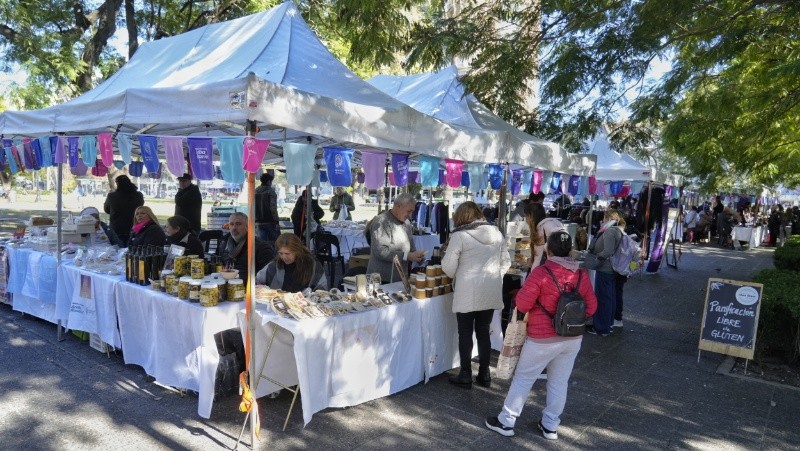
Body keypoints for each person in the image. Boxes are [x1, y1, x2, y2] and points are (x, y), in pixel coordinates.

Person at [485, 231, 597, 440]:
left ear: (548, 250)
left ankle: (506, 421)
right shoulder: (581, 274)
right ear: (570, 250)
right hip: (572, 338)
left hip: (541, 338)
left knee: (523, 378)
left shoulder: (541, 273)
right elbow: (591, 308)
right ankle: (550, 426)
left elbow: (523, 304)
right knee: (559, 382)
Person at [441, 202, 510, 389]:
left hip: (467, 290)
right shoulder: (496, 232)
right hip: (490, 289)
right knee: (483, 330)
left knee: (465, 332)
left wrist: (459, 272)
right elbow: (506, 262)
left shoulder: (459, 236)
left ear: (461, 217)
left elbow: (448, 268)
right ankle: (484, 374)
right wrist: (494, 277)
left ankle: (465, 374)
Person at [366, 192, 426, 282]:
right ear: (398, 206)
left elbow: (411, 248)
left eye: (412, 212)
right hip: (381, 279)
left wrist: (418, 256)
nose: (410, 215)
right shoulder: (382, 222)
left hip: (399, 278)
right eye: (409, 211)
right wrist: (407, 256)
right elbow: (380, 251)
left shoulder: (406, 223)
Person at [585, 208, 625, 336]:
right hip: (612, 269)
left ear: (609, 218)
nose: (603, 219)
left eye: (604, 217)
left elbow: (608, 251)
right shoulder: (617, 230)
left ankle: (602, 328)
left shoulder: (610, 231)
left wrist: (597, 257)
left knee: (603, 299)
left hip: (605, 268)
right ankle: (608, 324)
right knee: (610, 298)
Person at [256, 233, 327, 292]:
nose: (284, 257)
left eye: (287, 253)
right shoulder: (275, 264)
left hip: (306, 303)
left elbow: (321, 291)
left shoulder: (312, 265)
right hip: (277, 302)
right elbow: (257, 281)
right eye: (281, 253)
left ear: (297, 251)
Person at [221, 212, 275, 284]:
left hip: (251, 287)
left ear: (247, 227)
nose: (234, 228)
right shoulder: (224, 245)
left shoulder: (260, 247)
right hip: (229, 286)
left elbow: (269, 274)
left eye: (238, 224)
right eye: (231, 224)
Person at [104, 175, 144, 246]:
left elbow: (106, 210)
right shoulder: (138, 195)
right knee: (133, 249)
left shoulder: (112, 196)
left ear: (117, 184)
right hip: (134, 227)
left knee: (117, 250)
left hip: (117, 228)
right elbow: (140, 208)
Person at [525, 202, 566, 269]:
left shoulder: (548, 225)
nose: (526, 220)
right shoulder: (539, 228)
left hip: (547, 271)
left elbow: (562, 238)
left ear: (531, 216)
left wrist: (546, 247)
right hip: (540, 270)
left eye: (526, 216)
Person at [254, 172, 280, 242]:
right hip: (270, 221)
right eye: (271, 182)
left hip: (258, 222)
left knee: (262, 244)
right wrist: (276, 221)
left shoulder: (255, 191)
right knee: (275, 243)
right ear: (268, 182)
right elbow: (273, 208)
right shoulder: (271, 192)